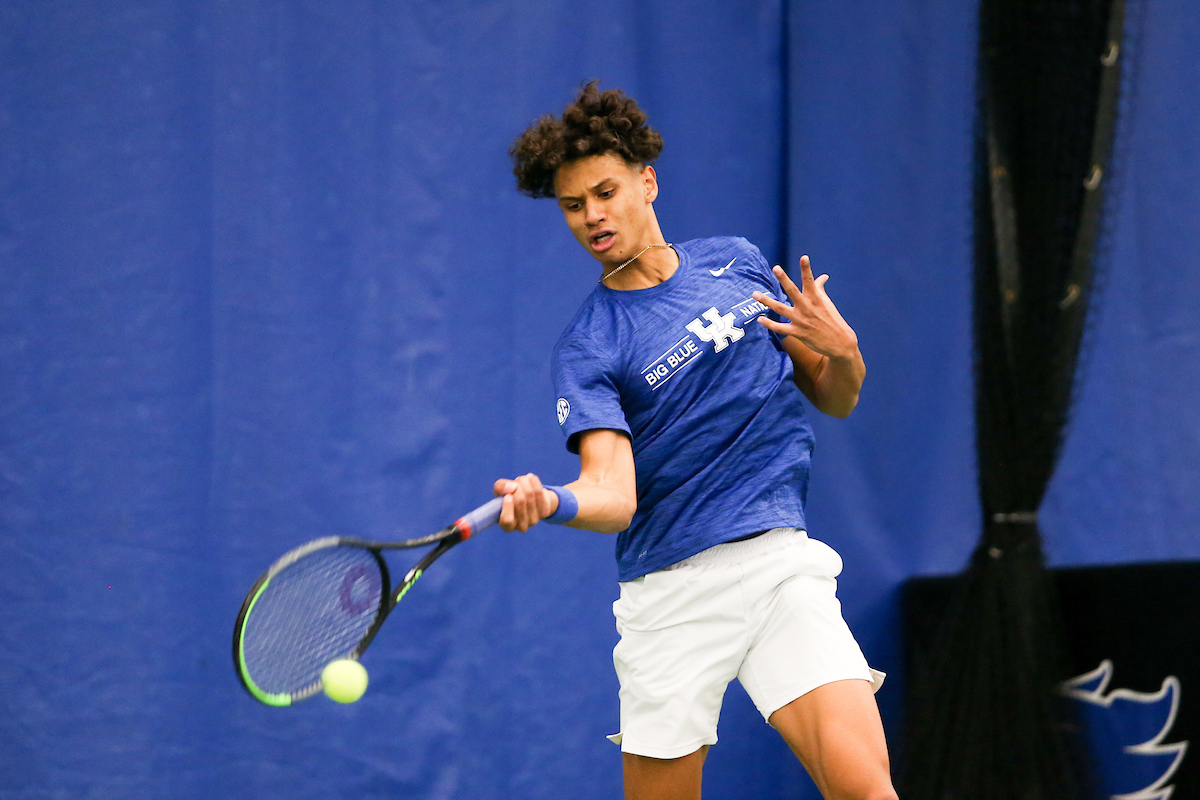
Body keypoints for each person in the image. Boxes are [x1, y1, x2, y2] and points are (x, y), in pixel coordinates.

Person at [495, 82, 898, 800]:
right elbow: (613, 496)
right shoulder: (589, 347)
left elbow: (836, 396)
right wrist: (549, 498)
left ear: (647, 182)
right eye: (573, 205)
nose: (592, 216)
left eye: (605, 192)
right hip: (672, 595)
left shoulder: (736, 262)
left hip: (780, 567)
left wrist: (846, 349)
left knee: (867, 792)